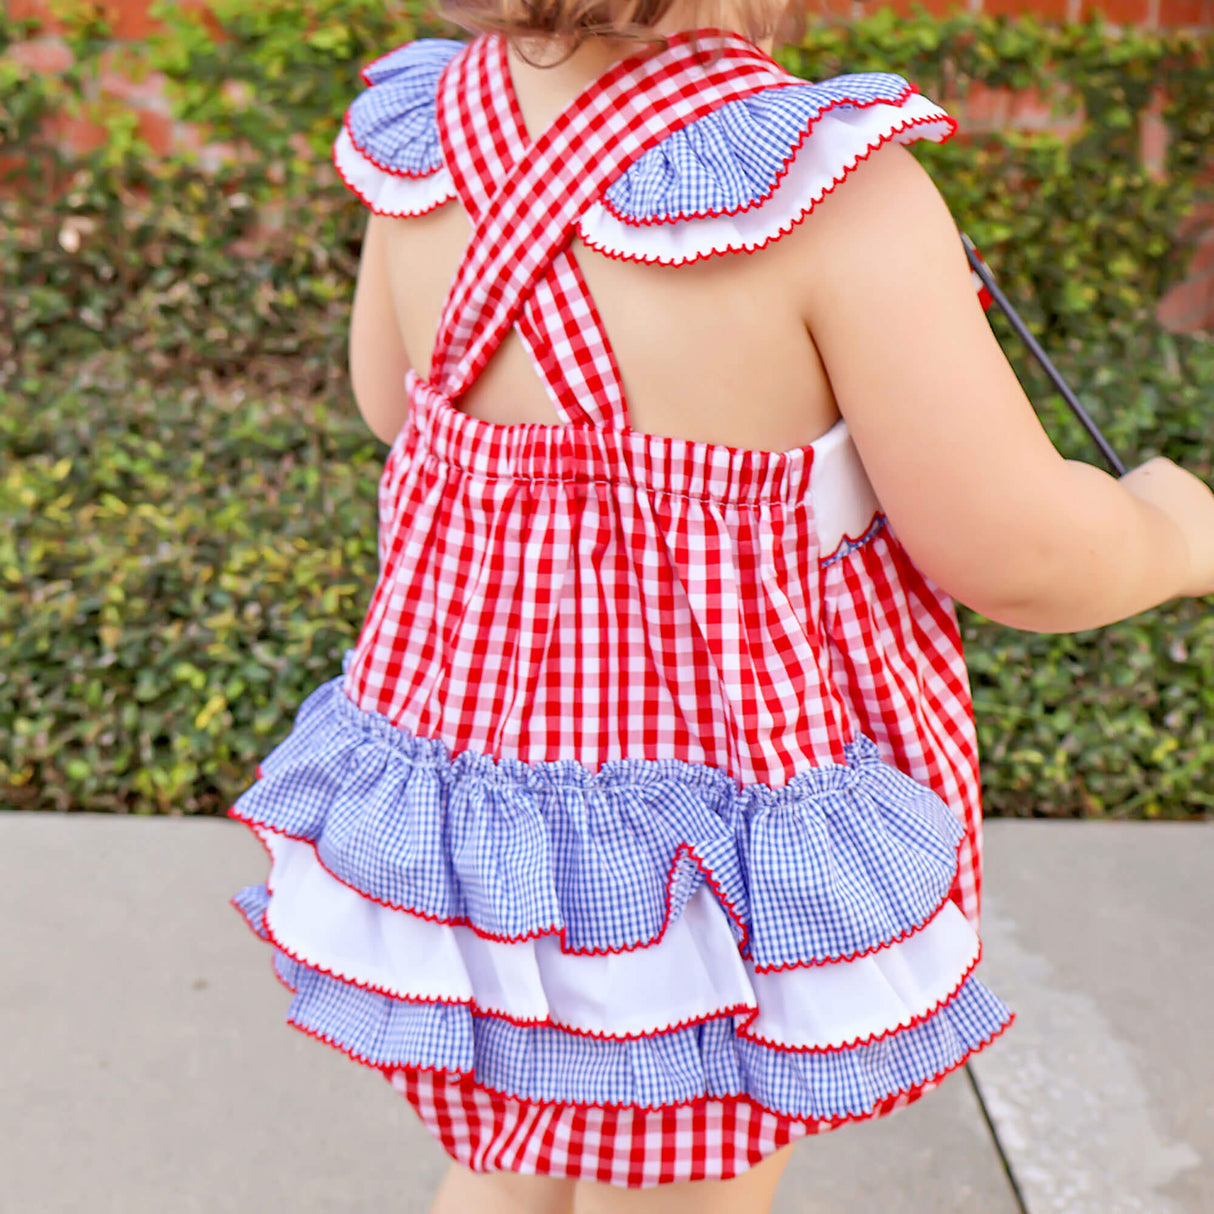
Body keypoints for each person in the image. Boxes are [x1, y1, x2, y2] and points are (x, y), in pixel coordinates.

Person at [227, 0, 1214, 1210]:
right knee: (690, 1173)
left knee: (516, 1144)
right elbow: (1013, 552)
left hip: (475, 810)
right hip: (711, 836)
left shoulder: (431, 128)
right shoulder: (830, 194)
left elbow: (396, 403)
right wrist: (1169, 532)